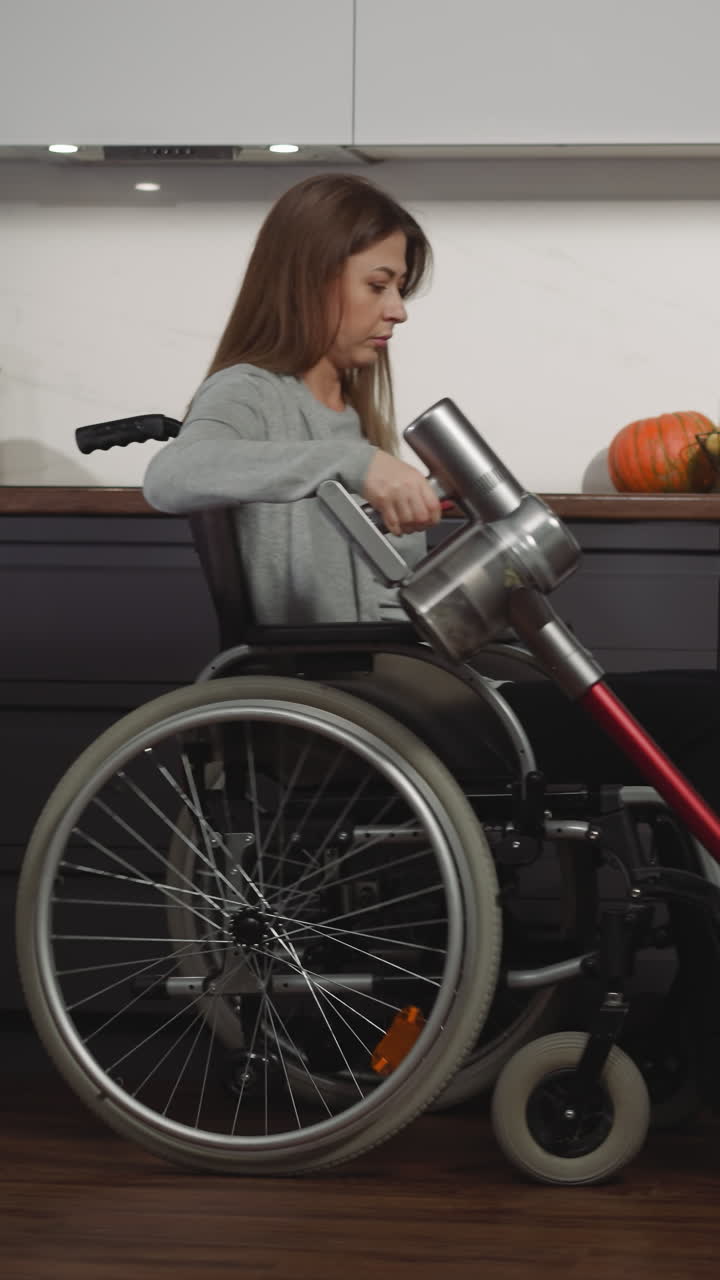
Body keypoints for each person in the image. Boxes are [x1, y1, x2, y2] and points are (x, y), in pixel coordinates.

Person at [143, 172, 441, 626]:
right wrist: (355, 462)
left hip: (391, 654)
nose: (398, 310)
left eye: (400, 289)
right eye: (378, 286)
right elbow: (171, 475)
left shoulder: (351, 412)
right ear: (311, 281)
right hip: (334, 673)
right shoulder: (249, 391)